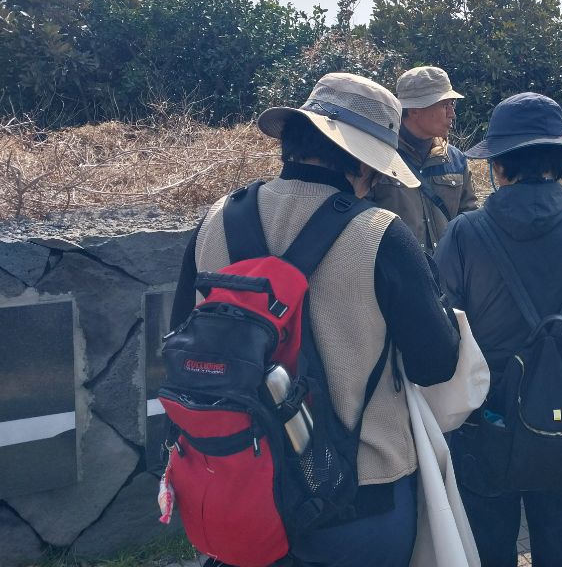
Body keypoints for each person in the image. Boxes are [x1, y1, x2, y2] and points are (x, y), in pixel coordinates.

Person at [170, 72, 461, 567]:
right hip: (361, 495)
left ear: (294, 139)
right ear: (365, 162)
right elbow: (435, 364)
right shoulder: (381, 234)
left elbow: (181, 334)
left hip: (242, 482)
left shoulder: (216, 218)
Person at [434, 92, 562, 567]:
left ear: (498, 166)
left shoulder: (464, 232)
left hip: (486, 413)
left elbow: (444, 325)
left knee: (486, 545)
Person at [371, 65, 477, 252]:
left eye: (452, 105)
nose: (452, 114)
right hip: (396, 269)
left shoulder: (456, 160)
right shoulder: (377, 157)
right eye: (445, 105)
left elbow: (469, 221)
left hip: (446, 269)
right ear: (414, 110)